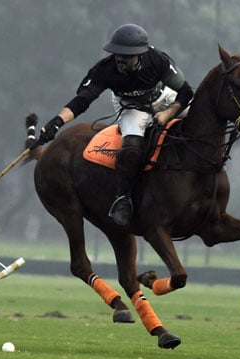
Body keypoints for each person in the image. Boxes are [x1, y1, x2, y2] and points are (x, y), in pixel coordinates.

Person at [35, 23, 194, 226]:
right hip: (132, 107)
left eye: (126, 55)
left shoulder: (158, 60)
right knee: (131, 150)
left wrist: (167, 114)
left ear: (140, 55)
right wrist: (57, 123)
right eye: (117, 53)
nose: (120, 58)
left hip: (165, 99)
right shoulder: (104, 70)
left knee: (201, 114)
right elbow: (81, 101)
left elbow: (186, 91)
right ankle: (123, 199)